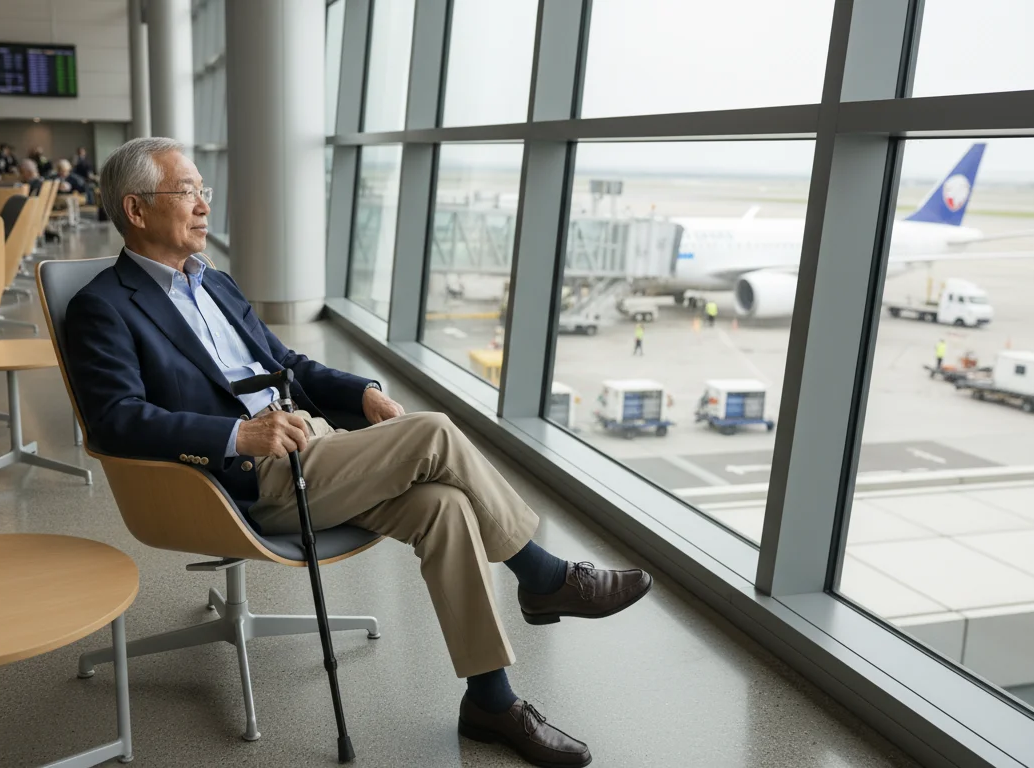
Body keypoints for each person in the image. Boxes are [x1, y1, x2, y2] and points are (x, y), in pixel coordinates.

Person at [65, 138, 653, 768]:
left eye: (203, 190)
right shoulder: (103, 307)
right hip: (238, 478)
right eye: (188, 192)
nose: (205, 206)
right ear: (136, 208)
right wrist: (240, 436)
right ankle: (543, 577)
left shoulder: (217, 285)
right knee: (433, 433)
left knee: (447, 507)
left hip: (314, 451)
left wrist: (364, 394)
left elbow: (287, 365)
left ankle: (490, 699)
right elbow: (116, 422)